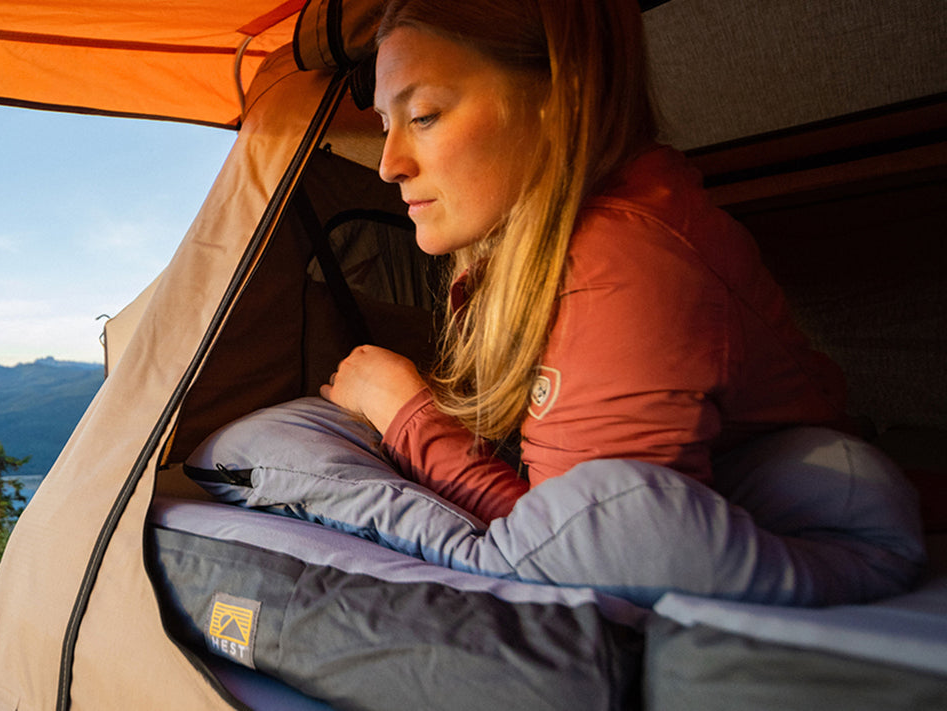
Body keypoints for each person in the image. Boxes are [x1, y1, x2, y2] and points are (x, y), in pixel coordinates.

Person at [224, 0, 849, 525]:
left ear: (556, 100)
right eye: (386, 123)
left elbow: (573, 546)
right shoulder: (517, 247)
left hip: (814, 514)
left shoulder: (623, 260)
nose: (389, 164)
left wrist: (403, 412)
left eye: (424, 116)